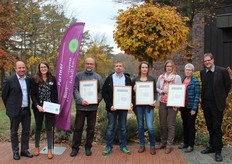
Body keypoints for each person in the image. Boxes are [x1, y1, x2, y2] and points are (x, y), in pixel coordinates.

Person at [200, 53, 231, 162]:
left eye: (209, 60)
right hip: (206, 104)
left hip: (217, 105)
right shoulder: (203, 73)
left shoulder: (222, 71)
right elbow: (204, 87)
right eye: (205, 61)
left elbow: (228, 85)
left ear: (213, 60)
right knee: (210, 127)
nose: (207, 62)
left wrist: (222, 97)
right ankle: (212, 146)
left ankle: (218, 150)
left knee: (216, 127)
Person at [70, 57, 103, 157]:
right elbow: (74, 89)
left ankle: (88, 147)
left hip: (92, 108)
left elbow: (101, 91)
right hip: (81, 107)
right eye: (87, 63)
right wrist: (80, 100)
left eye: (91, 64)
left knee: (91, 129)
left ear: (93, 65)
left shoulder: (98, 77)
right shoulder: (78, 76)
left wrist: (96, 100)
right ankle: (75, 148)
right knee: (78, 128)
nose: (89, 65)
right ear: (85, 64)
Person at [2, 61, 33, 160]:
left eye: (23, 67)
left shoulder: (28, 80)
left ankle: (24, 150)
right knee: (14, 132)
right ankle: (15, 151)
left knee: (26, 131)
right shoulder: (9, 80)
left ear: (25, 69)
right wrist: (10, 107)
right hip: (14, 111)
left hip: (26, 110)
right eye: (19, 68)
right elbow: (4, 95)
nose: (21, 70)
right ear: (15, 69)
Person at [102, 60, 132, 155]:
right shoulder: (109, 78)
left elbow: (131, 93)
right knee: (111, 127)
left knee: (123, 128)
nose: (118, 67)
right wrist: (109, 105)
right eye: (116, 66)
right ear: (114, 68)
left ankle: (123, 146)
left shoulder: (127, 79)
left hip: (123, 108)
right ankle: (108, 146)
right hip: (112, 108)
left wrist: (130, 103)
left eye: (120, 66)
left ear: (123, 68)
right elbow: (104, 93)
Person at [31, 62, 58, 159]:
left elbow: (55, 94)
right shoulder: (34, 79)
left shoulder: (52, 79)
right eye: (41, 67)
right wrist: (37, 105)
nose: (43, 68)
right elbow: (33, 94)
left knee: (48, 127)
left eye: (44, 67)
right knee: (38, 126)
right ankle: (37, 147)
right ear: (39, 68)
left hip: (49, 107)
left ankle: (50, 149)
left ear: (48, 68)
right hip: (38, 107)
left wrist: (56, 107)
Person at [156, 60, 182, 154]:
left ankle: (169, 144)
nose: (169, 68)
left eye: (170, 66)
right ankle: (163, 142)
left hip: (172, 103)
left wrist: (178, 102)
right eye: (167, 66)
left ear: (173, 67)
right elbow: (157, 88)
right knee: (162, 124)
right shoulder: (161, 77)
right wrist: (162, 91)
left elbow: (180, 90)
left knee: (171, 124)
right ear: (165, 67)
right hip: (162, 102)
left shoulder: (177, 77)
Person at [132, 61, 157, 155]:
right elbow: (131, 94)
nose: (144, 69)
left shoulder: (152, 79)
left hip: (149, 107)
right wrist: (134, 90)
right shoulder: (135, 80)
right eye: (142, 67)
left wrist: (154, 100)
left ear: (148, 69)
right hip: (138, 106)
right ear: (140, 69)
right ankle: (142, 145)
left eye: (146, 67)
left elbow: (155, 92)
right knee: (140, 126)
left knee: (150, 127)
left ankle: (152, 146)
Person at [178, 63, 200, 153]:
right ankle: (185, 142)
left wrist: (194, 109)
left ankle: (191, 145)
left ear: (192, 71)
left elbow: (197, 96)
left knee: (191, 126)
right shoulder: (182, 80)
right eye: (186, 70)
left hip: (191, 108)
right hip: (183, 106)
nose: (188, 71)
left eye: (189, 70)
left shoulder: (195, 81)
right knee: (185, 125)